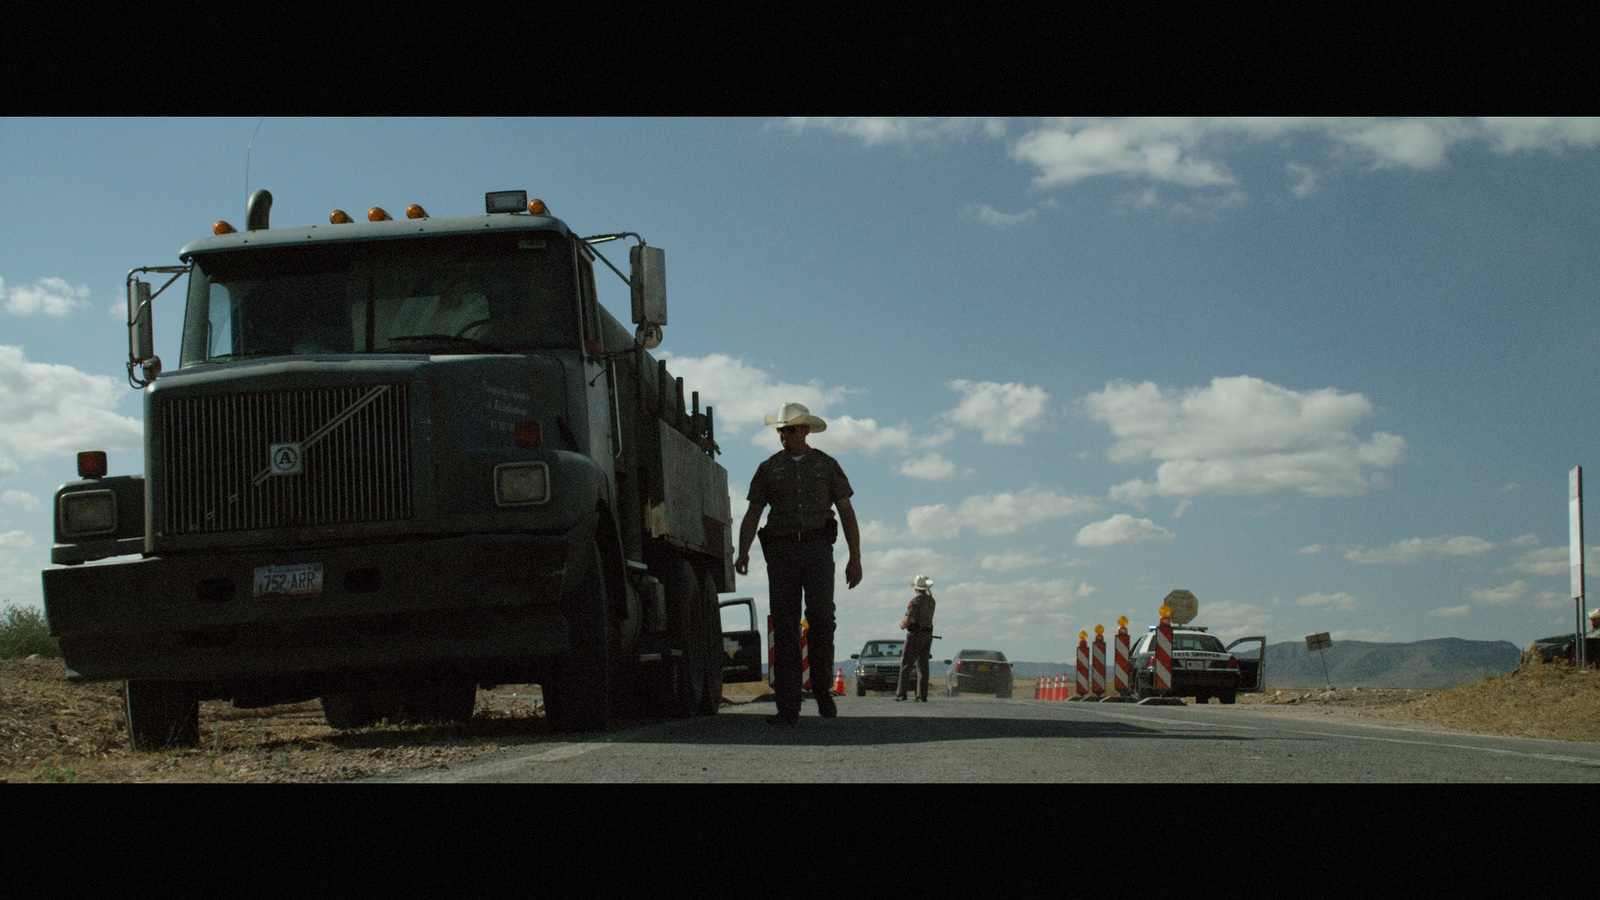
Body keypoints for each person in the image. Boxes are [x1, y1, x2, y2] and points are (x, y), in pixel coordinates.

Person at [735, 402, 862, 726]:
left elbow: (846, 512)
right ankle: (787, 706)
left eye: (790, 429)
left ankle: (821, 689)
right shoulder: (768, 469)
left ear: (805, 430)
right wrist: (743, 551)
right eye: (781, 430)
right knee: (786, 627)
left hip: (818, 551)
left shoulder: (826, 465)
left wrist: (855, 558)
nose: (784, 435)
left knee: (821, 620)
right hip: (781, 554)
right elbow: (754, 512)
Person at [896, 574, 937, 702]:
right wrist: (927, 585)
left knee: (907, 664)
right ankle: (921, 695)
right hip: (927, 635)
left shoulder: (915, 602)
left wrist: (902, 625)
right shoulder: (931, 601)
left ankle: (901, 693)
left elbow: (908, 619)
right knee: (923, 665)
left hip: (915, 635)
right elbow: (929, 595)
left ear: (915, 588)